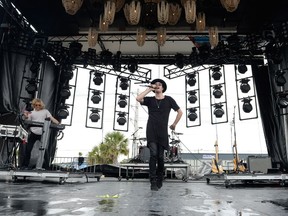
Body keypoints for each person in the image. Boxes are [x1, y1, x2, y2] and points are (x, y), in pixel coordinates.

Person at [136, 78, 183, 191]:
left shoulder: (169, 100)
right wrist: (149, 88)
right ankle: (152, 181)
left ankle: (160, 177)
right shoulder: (150, 100)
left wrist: (174, 124)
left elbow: (180, 112)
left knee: (160, 157)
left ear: (163, 88)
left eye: (159, 84)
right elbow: (138, 98)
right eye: (155, 84)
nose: (157, 86)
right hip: (151, 130)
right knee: (153, 154)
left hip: (162, 131)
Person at [22, 98, 59, 169]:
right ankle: (25, 165)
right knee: (28, 149)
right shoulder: (31, 112)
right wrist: (26, 116)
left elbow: (51, 118)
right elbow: (28, 120)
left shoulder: (45, 111)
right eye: (36, 105)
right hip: (33, 132)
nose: (37, 106)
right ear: (34, 105)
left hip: (42, 133)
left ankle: (48, 167)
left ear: (41, 105)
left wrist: (58, 123)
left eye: (39, 105)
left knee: (45, 150)